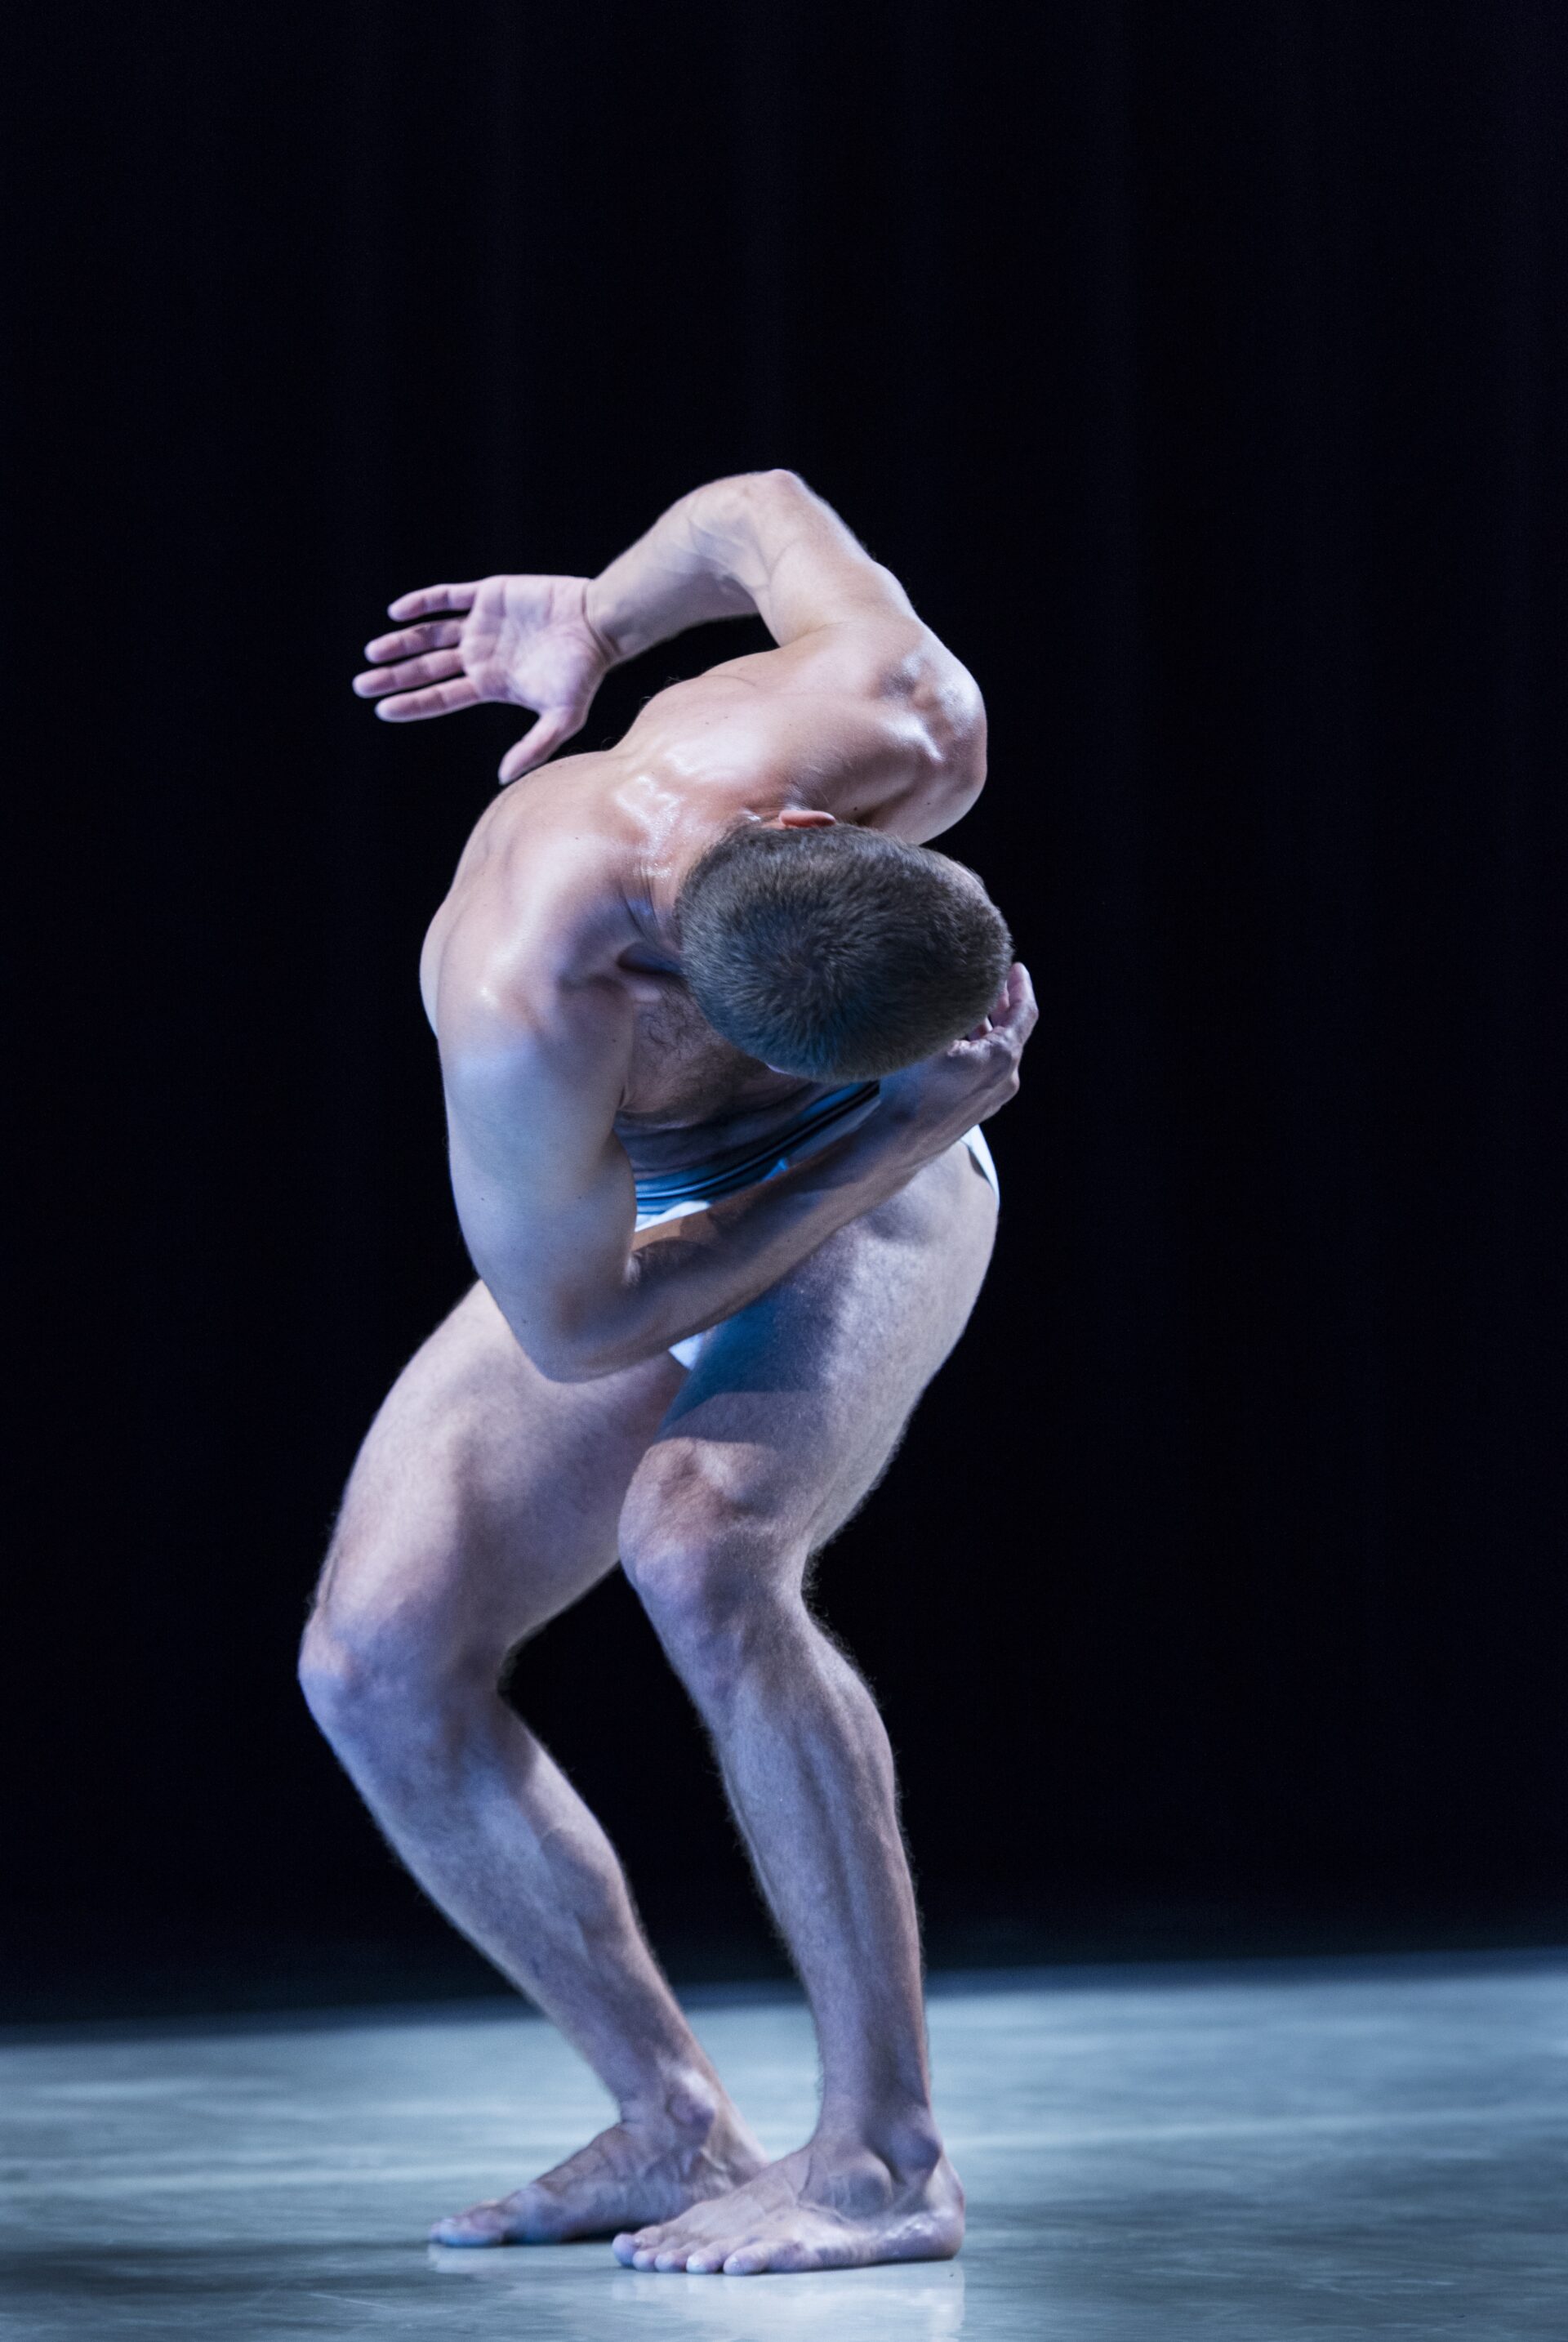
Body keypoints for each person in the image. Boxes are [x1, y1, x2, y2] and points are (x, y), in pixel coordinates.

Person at [300, 471, 1036, 2277]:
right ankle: (668, 2118)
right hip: (684, 1215)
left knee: (704, 1551)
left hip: (891, 1167)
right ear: (668, 991)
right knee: (374, 1664)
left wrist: (603, 614)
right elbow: (579, 1323)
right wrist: (881, 1125)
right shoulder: (524, 993)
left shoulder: (895, 710)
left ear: (812, 813)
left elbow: (761, 506)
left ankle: (884, 2161)